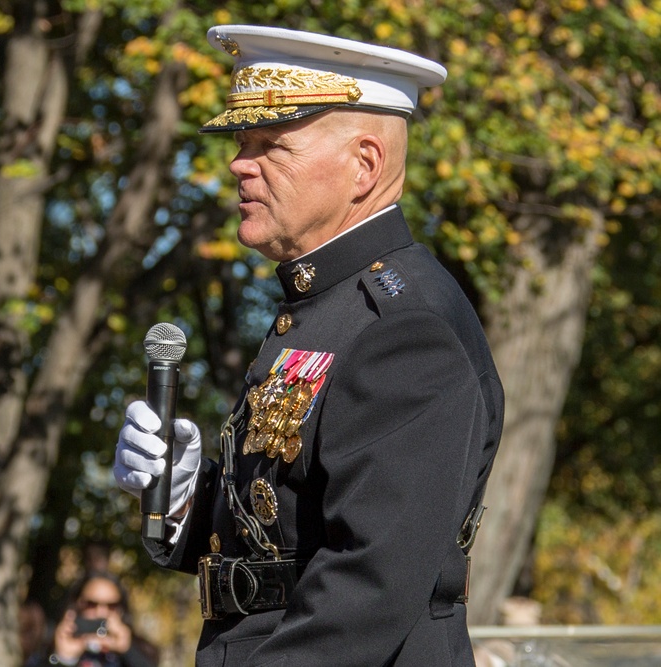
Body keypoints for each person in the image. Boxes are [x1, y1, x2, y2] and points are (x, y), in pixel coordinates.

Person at [113, 24, 505, 667]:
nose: (241, 164)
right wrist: (188, 497)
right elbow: (288, 537)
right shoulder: (326, 308)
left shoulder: (404, 329)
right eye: (242, 143)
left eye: (272, 145)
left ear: (365, 165)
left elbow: (366, 592)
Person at [26, 572, 156, 667]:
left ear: (121, 609)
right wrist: (64, 659)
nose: (101, 612)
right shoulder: (48, 649)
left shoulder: (140, 651)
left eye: (112, 606)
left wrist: (128, 651)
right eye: (91, 604)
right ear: (76, 605)